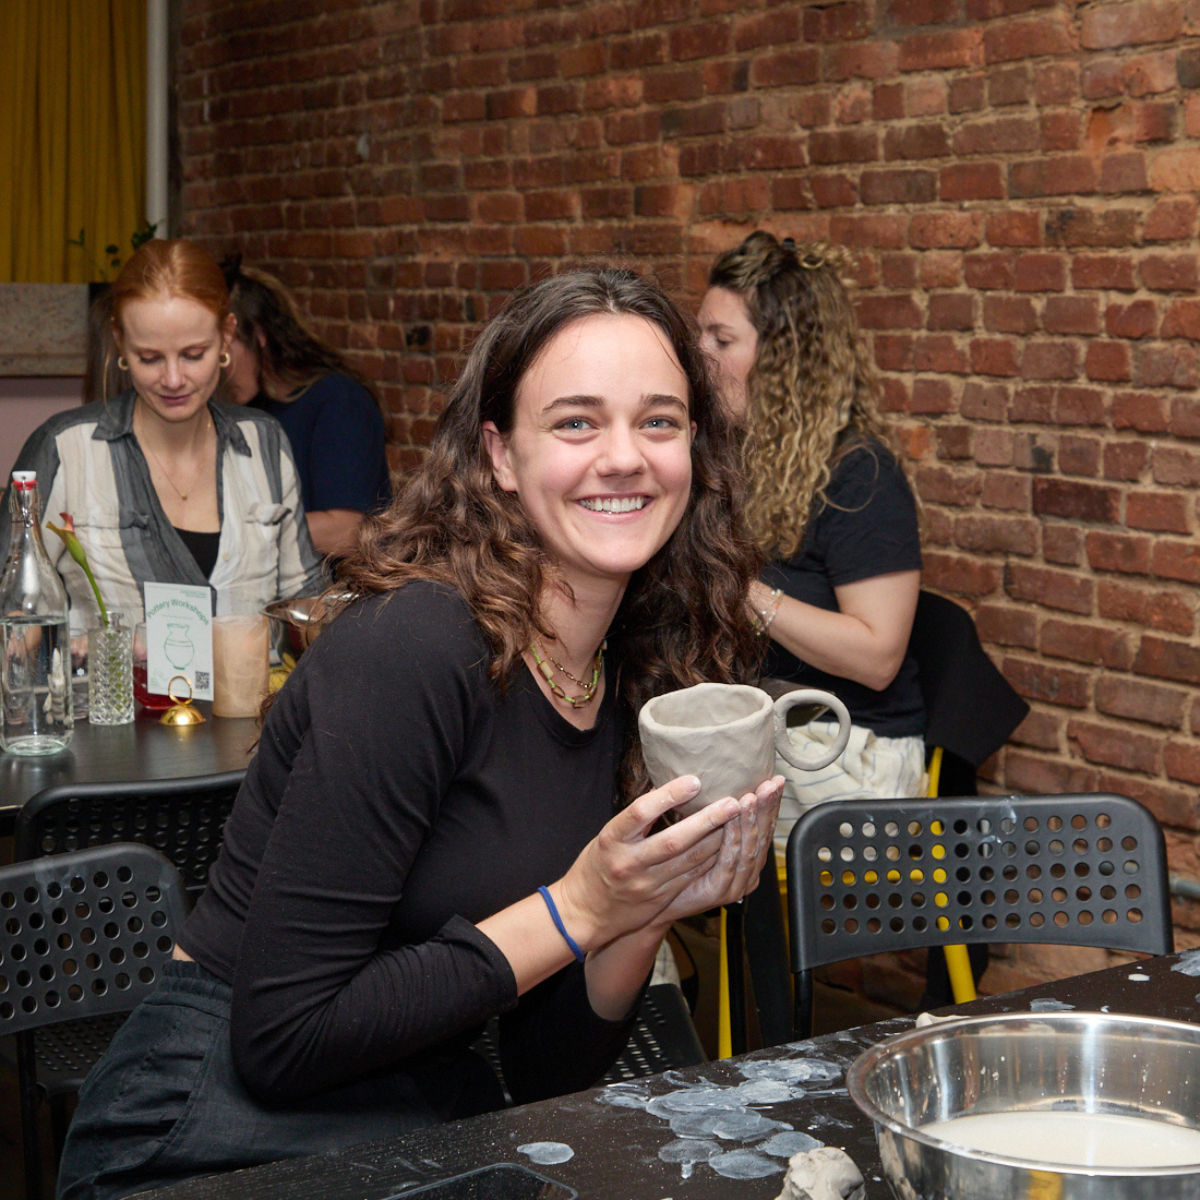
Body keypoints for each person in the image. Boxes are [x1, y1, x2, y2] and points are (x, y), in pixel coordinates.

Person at [56, 268, 781, 1199]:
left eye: (658, 421)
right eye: (575, 421)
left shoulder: (624, 668)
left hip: (415, 1115)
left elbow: (546, 1072)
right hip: (197, 1136)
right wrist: (576, 909)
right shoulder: (417, 645)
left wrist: (641, 909)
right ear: (500, 455)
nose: (624, 457)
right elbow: (281, 1039)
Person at [699, 233, 924, 846]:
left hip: (854, 757)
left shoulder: (861, 474)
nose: (698, 355)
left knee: (646, 807)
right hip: (784, 730)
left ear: (783, 355)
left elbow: (878, 658)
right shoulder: (746, 460)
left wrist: (740, 589)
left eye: (720, 340)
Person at [0, 239, 324, 623]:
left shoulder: (265, 443)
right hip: (111, 686)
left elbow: (307, 608)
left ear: (226, 335)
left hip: (256, 685)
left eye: (193, 354)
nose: (173, 379)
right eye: (149, 358)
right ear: (120, 341)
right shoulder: (64, 449)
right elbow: (13, 612)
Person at [221, 256, 392, 558]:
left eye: (223, 350)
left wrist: (229, 532)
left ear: (259, 336)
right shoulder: (250, 409)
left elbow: (348, 530)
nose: (217, 367)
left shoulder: (338, 401)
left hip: (334, 597)